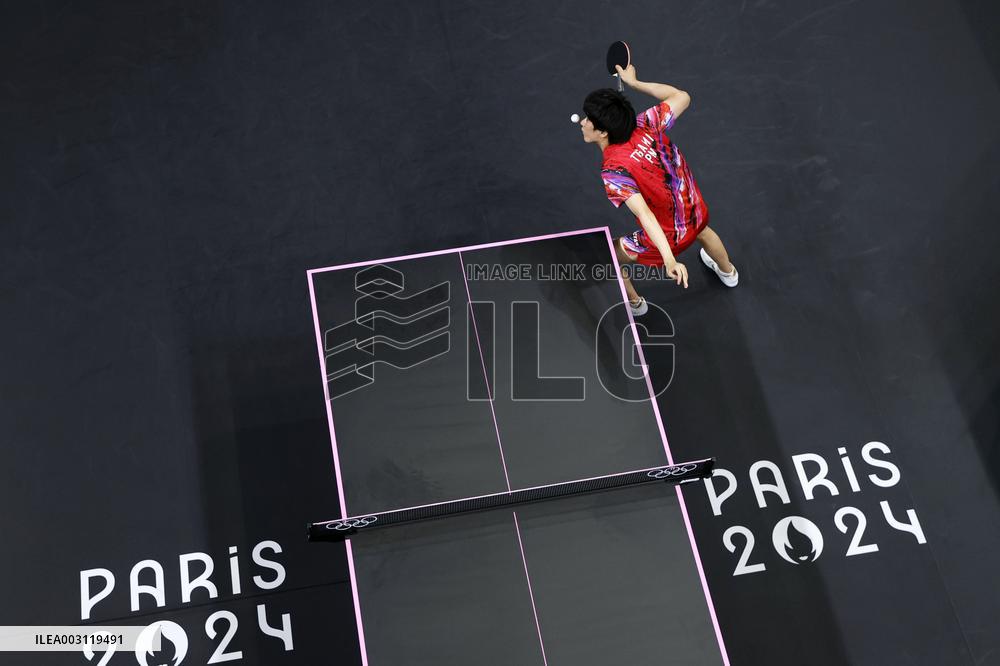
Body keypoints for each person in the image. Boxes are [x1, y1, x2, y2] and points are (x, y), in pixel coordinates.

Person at [580, 63, 738, 315]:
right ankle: (728, 272)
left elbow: (645, 215)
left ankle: (635, 304)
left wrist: (669, 258)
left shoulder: (614, 169)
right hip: (693, 208)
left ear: (603, 132)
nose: (584, 122)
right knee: (705, 233)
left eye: (588, 120)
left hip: (668, 236)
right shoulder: (646, 123)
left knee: (608, 256)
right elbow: (681, 96)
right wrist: (635, 83)